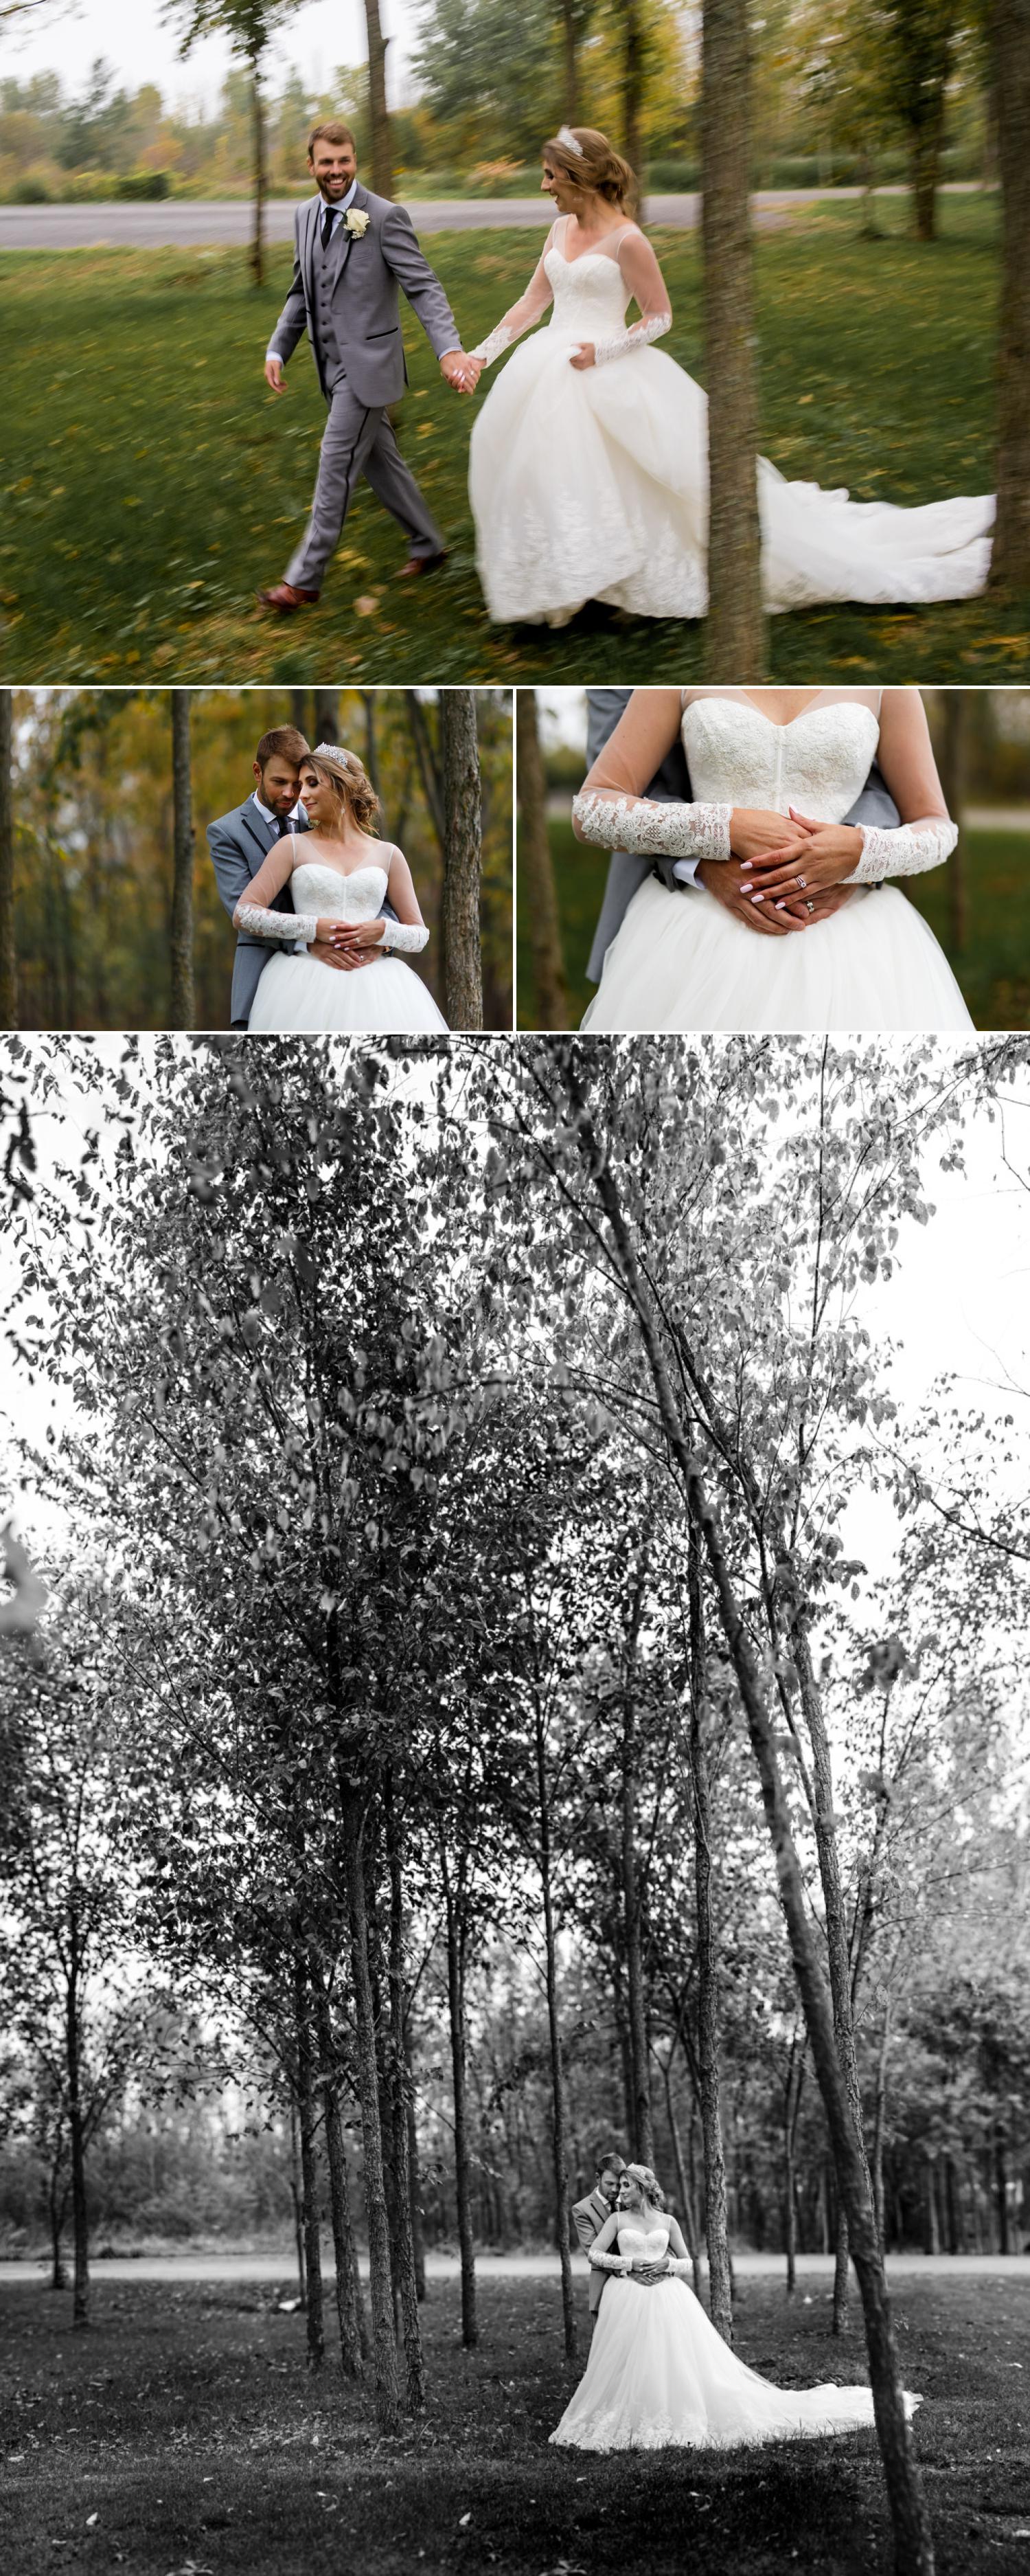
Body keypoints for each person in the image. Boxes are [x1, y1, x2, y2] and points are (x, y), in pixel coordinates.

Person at [466, 125, 993, 630]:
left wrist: (603, 351)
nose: (544, 186)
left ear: (578, 176)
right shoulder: (559, 230)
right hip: (549, 368)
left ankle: (624, 578)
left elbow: (660, 316)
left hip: (606, 367)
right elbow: (534, 301)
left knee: (646, 481)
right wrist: (481, 356)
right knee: (551, 473)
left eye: (551, 175)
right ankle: (572, 579)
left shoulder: (629, 240)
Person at [573, 686, 974, 1032]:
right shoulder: (668, 686)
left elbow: (936, 825)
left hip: (854, 943)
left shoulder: (890, 690)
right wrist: (725, 827)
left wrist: (861, 853)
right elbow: (591, 809)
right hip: (698, 934)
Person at [258, 120, 479, 615]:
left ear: (354, 160)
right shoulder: (303, 215)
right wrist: (279, 348)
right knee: (381, 462)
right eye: (327, 162)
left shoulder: (383, 216)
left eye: (345, 161)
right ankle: (427, 545)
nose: (336, 171)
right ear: (311, 165)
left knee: (335, 467)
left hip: (369, 369)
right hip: (330, 365)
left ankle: (304, 580)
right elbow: (301, 291)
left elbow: (424, 286)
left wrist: (448, 348)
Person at [551, 2164, 922, 2452]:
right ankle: (630, 2412)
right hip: (629, 2296)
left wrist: (665, 2266)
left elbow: (690, 2262)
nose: (621, 2191)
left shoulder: (668, 2221)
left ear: (644, 2188)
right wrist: (630, 2265)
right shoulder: (617, 2220)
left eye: (627, 2185)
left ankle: (674, 2409)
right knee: (629, 2360)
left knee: (673, 2360)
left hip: (667, 2295)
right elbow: (596, 2254)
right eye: (620, 2186)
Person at [234, 742, 448, 1034]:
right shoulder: (292, 847)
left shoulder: (389, 854)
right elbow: (244, 913)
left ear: (342, 787)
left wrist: (383, 933)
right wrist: (313, 928)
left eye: (312, 784)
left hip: (379, 992)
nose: (302, 795)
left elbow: (419, 935)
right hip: (301, 987)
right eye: (300, 785)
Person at [207, 725, 395, 1030]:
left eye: (299, 784)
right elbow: (240, 909)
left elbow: (377, 894)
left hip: (355, 972)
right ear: (258, 772)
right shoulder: (227, 832)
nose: (291, 794)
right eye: (279, 782)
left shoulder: (327, 816)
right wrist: (309, 943)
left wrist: (378, 940)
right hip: (267, 971)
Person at [571, 2148, 628, 2332]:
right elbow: (592, 2251)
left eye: (619, 2185)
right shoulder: (582, 2209)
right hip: (604, 2283)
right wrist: (631, 2268)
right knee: (606, 2341)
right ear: (598, 2178)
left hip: (637, 2287)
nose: (615, 2190)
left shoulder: (630, 2202)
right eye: (609, 2183)